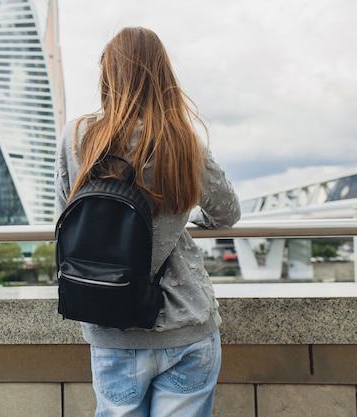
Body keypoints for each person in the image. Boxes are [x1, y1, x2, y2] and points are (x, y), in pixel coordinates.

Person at [54, 27, 241, 417]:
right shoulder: (182, 142)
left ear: (108, 76)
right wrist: (182, 216)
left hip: (110, 322)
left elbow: (65, 220)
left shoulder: (77, 138)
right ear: (163, 77)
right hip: (185, 322)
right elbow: (227, 212)